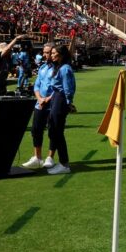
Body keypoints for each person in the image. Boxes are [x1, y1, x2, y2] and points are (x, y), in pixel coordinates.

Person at [21, 43, 56, 170]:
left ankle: (50, 158)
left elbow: (59, 88)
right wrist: (40, 98)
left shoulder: (59, 68)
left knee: (53, 131)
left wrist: (47, 99)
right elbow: (37, 85)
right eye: (44, 52)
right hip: (40, 104)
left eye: (48, 52)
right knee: (36, 130)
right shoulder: (43, 67)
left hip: (52, 104)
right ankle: (37, 157)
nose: (45, 55)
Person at [45, 45, 76, 175]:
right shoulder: (58, 67)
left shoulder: (65, 69)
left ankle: (64, 164)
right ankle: (62, 162)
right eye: (51, 53)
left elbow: (68, 87)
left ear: (61, 55)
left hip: (60, 98)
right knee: (53, 129)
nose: (51, 55)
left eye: (54, 53)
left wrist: (69, 103)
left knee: (57, 131)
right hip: (56, 97)